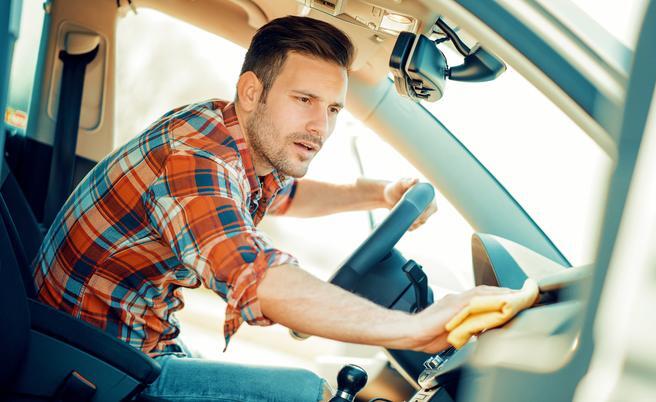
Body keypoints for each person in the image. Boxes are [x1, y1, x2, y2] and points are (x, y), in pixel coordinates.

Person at [32, 15, 506, 401]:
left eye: (334, 109)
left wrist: (376, 195)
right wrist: (414, 329)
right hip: (90, 366)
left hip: (131, 341)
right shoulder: (194, 159)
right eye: (304, 100)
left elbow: (287, 196)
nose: (320, 127)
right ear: (252, 92)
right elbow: (256, 277)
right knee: (310, 394)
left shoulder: (232, 134)